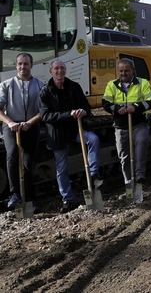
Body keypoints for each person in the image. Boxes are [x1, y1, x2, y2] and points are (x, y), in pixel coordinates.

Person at [39, 59, 103, 213]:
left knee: (93, 139)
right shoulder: (45, 91)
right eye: (56, 69)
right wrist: (69, 114)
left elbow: (86, 107)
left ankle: (93, 174)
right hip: (58, 134)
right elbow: (45, 116)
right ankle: (68, 199)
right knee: (61, 168)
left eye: (62, 68)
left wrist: (83, 111)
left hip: (76, 130)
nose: (59, 71)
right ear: (51, 71)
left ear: (65, 70)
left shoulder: (74, 87)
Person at [102, 58, 151, 189]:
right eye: (121, 71)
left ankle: (139, 175)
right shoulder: (112, 85)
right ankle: (128, 181)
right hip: (121, 125)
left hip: (139, 123)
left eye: (127, 71)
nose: (123, 73)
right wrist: (116, 108)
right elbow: (106, 103)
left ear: (133, 71)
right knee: (123, 155)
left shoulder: (142, 83)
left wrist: (136, 107)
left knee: (141, 142)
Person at [0, 53, 45, 211]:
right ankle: (14, 194)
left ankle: (28, 196)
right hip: (11, 126)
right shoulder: (6, 84)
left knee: (28, 161)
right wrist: (10, 122)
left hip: (31, 126)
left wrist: (30, 123)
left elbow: (43, 110)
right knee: (12, 153)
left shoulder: (40, 85)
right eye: (20, 64)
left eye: (26, 64)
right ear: (16, 65)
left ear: (31, 65)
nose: (22, 67)